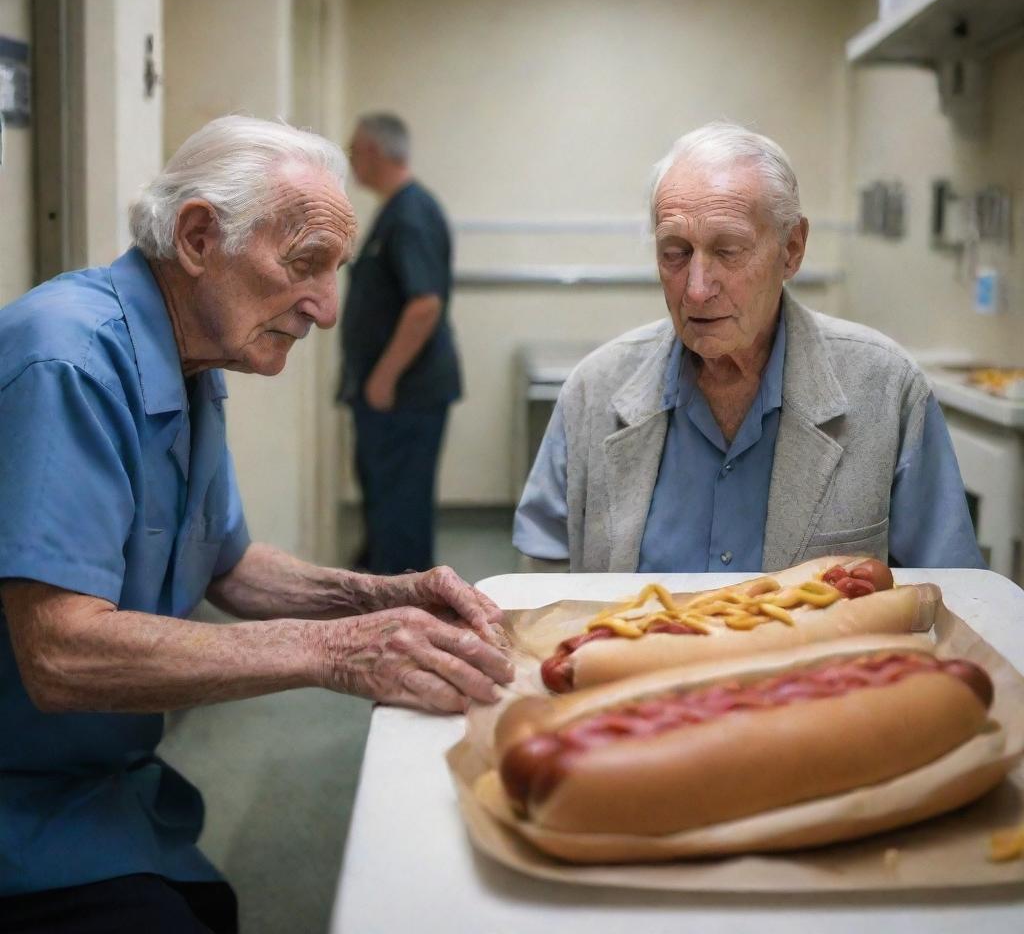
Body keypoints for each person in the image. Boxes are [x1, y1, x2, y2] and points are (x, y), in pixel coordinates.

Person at [0, 116, 511, 933]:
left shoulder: (192, 360)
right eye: (305, 264)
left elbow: (227, 566)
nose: (327, 309)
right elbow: (60, 650)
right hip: (21, 810)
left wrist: (386, 596)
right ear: (199, 236)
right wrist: (334, 652)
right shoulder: (68, 359)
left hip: (108, 788)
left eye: (336, 271)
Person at [514, 121, 984, 574]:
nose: (696, 289)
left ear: (792, 249)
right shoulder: (593, 391)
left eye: (728, 250)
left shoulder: (885, 389)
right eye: (675, 252)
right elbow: (543, 590)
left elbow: (951, 589)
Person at [339, 113, 461, 575]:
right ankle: (392, 608)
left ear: (373, 151)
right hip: (391, 392)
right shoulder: (397, 209)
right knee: (386, 506)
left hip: (404, 393)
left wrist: (384, 378)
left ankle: (408, 621)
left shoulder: (410, 214)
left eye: (353, 152)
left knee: (400, 513)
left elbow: (425, 304)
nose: (352, 163)